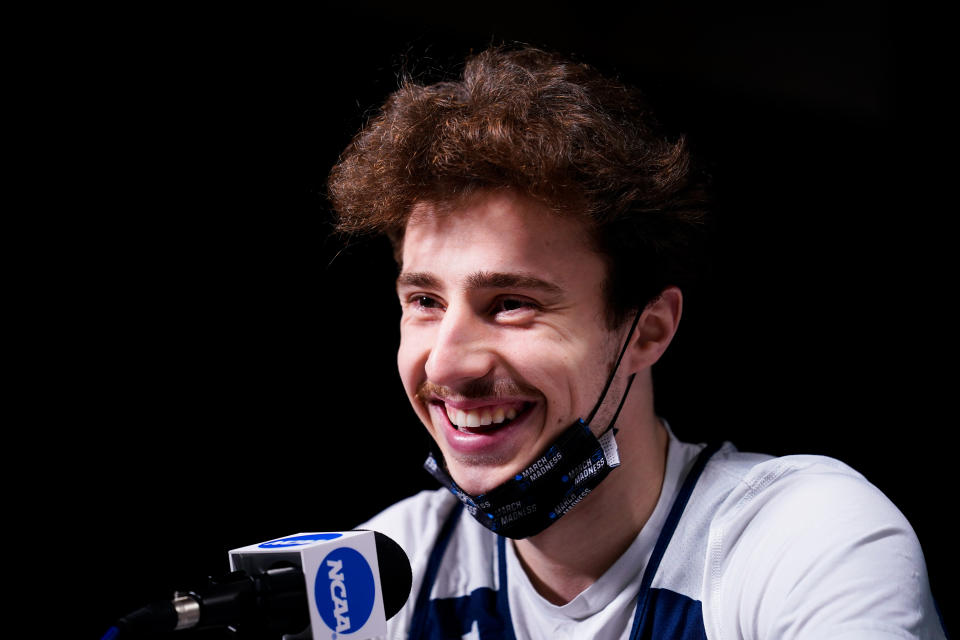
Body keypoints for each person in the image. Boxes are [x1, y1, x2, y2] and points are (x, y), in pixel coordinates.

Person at [327, 46, 946, 639]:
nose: (448, 363)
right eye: (425, 302)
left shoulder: (806, 535)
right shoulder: (383, 572)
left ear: (648, 329)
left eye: (512, 304)